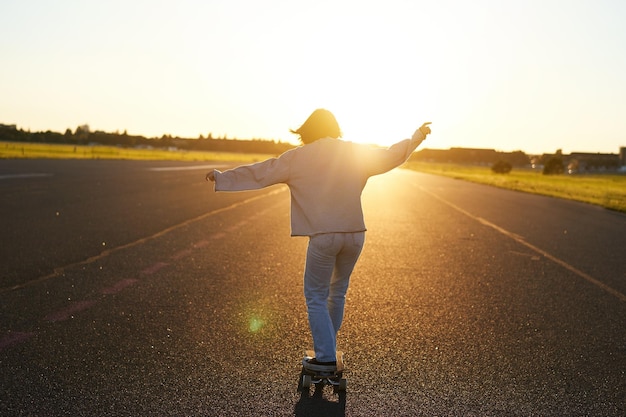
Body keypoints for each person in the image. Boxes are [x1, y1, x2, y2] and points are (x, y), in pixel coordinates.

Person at [206, 109, 431, 371]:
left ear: (307, 130)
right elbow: (390, 155)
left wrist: (222, 177)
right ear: (335, 128)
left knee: (315, 295)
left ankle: (324, 356)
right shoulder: (353, 152)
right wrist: (416, 137)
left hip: (324, 236)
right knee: (337, 293)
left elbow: (261, 173)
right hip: (355, 233)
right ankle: (328, 348)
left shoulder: (298, 157)